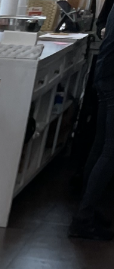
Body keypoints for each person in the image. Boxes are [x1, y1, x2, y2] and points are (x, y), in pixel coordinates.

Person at [70, 4, 114, 240]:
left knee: (100, 144)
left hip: (105, 71)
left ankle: (89, 208)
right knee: (110, 149)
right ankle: (83, 218)